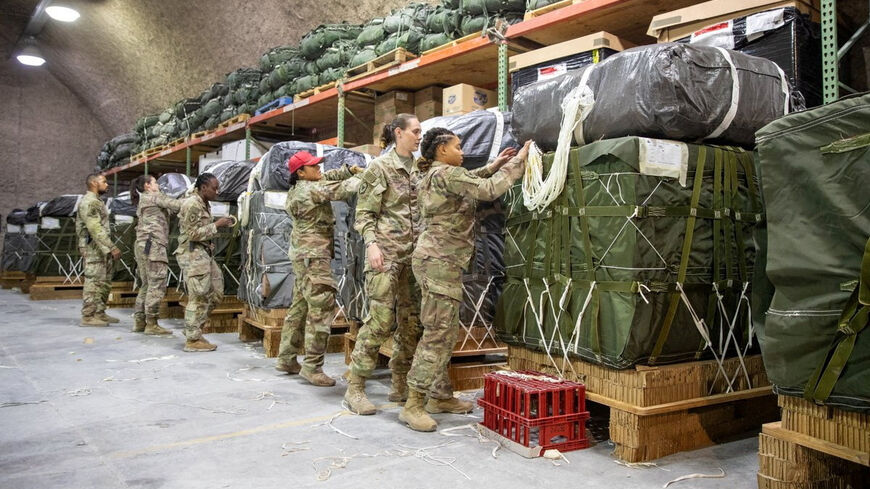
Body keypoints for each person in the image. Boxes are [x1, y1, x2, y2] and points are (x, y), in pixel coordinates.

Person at [399, 129, 529, 432]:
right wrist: (518, 163)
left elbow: (471, 181)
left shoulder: (435, 174)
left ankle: (440, 396)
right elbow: (488, 190)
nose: (462, 152)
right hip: (440, 263)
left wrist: (495, 164)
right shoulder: (448, 173)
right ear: (442, 150)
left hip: (436, 261)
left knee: (442, 330)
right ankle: (413, 404)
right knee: (438, 335)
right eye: (458, 147)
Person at [344, 113, 425, 414]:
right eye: (415, 131)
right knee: (379, 322)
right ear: (399, 133)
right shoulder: (379, 168)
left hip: (413, 257)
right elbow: (364, 215)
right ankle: (355, 388)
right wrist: (372, 245)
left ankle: (400, 384)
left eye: (421, 131)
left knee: (410, 323)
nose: (419, 136)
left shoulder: (420, 168)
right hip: (385, 255)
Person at [276, 151, 363, 386]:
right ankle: (312, 366)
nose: (319, 169)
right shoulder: (309, 189)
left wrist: (348, 170)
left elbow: (330, 177)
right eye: (313, 167)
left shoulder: (303, 186)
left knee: (300, 306)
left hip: (304, 255)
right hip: (313, 257)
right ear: (301, 173)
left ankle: (286, 358)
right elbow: (341, 190)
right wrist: (369, 176)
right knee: (322, 307)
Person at [175, 173, 234, 352]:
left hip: (203, 253)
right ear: (203, 188)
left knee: (216, 292)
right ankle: (193, 340)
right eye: (214, 188)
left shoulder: (203, 203)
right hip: (192, 255)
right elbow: (192, 233)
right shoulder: (192, 204)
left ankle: (193, 328)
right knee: (198, 295)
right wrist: (217, 225)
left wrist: (208, 242)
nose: (217, 191)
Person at [130, 174, 182, 336]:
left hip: (143, 244)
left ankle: (140, 322)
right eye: (155, 183)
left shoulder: (144, 200)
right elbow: (177, 205)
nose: (158, 185)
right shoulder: (153, 197)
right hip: (153, 245)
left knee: (146, 284)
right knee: (156, 284)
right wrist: (193, 198)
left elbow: (169, 211)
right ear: (147, 185)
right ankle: (151, 323)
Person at [76, 173, 122, 327]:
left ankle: (99, 313)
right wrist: (112, 247)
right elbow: (95, 228)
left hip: (101, 248)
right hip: (93, 248)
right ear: (94, 183)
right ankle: (88, 316)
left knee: (103, 282)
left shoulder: (97, 201)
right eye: (104, 181)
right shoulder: (89, 202)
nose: (107, 184)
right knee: (93, 282)